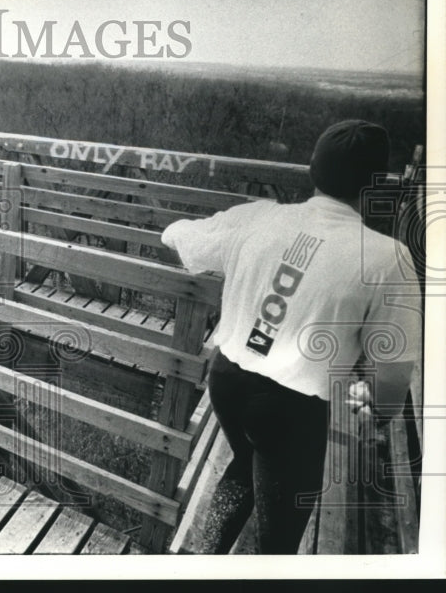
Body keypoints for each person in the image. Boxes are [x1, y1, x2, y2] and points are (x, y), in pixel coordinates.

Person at [161, 119, 422, 554]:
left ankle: (201, 558)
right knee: (279, 538)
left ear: (312, 169)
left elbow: (180, 236)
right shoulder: (387, 259)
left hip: (226, 379)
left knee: (245, 462)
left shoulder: (258, 216)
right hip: (292, 408)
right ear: (377, 184)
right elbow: (390, 393)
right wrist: (353, 403)